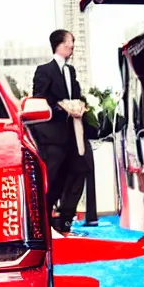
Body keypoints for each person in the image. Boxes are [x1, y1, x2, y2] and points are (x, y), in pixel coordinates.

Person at [32, 29, 95, 233]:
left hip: (74, 134)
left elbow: (76, 95)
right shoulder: (44, 70)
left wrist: (80, 106)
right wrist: (61, 107)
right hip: (53, 137)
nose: (73, 46)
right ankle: (45, 225)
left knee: (80, 171)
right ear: (60, 44)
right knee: (53, 180)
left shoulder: (71, 71)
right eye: (70, 42)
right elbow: (39, 99)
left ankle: (67, 220)